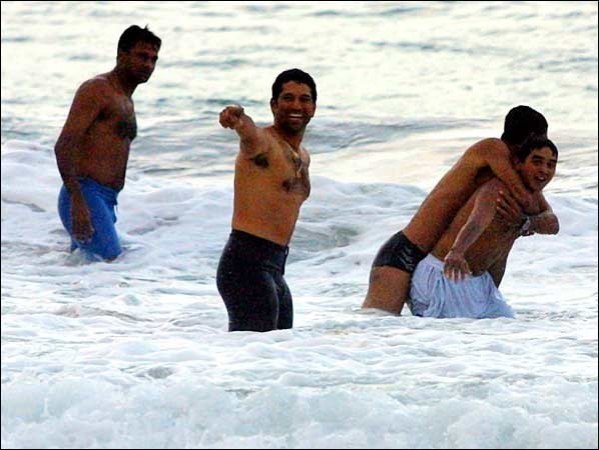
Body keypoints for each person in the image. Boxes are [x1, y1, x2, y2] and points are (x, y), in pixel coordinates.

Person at [363, 106, 559, 314]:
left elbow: (544, 213)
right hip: (406, 252)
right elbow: (527, 199)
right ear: (531, 138)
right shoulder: (493, 149)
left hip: (434, 258)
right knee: (377, 324)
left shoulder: (510, 173)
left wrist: (528, 221)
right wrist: (528, 219)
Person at [409, 137, 559, 318]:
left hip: (479, 283)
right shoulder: (497, 188)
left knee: (509, 331)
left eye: (551, 165)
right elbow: (476, 222)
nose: (544, 170)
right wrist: (457, 252)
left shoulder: (534, 197)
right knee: (455, 340)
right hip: (446, 273)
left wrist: (525, 223)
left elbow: (553, 225)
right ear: (518, 164)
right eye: (537, 162)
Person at [217, 69, 317, 332]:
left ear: (313, 108)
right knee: (251, 356)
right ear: (274, 105)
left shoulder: (303, 156)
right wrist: (236, 115)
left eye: (304, 99)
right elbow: (247, 131)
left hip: (274, 268)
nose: (296, 105)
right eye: (288, 98)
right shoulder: (263, 144)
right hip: (245, 265)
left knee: (274, 358)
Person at [55, 25, 161, 261]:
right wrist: (79, 202)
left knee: (89, 274)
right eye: (142, 56)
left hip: (105, 200)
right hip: (86, 194)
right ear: (121, 55)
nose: (149, 65)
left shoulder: (125, 99)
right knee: (111, 265)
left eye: (154, 59)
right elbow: (64, 145)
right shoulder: (97, 90)